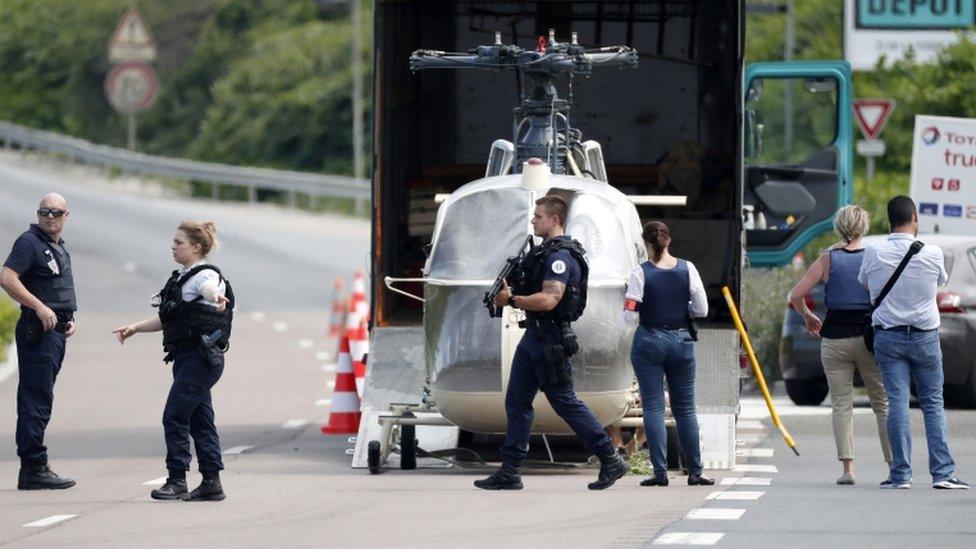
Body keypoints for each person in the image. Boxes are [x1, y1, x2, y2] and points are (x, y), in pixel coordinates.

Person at [475, 195, 628, 490]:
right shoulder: (546, 253)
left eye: (538, 216)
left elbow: (548, 300)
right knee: (517, 402)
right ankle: (509, 470)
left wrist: (513, 300)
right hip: (534, 337)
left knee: (564, 401)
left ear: (555, 219)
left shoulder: (561, 258)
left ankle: (610, 457)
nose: (533, 220)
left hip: (550, 339)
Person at [113, 221, 234, 501]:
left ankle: (177, 479)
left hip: (200, 359)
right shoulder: (183, 277)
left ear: (196, 247)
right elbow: (170, 318)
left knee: (175, 416)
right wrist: (135, 328)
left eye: (179, 243)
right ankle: (211, 482)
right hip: (188, 358)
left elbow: (210, 288)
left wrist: (216, 296)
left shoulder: (204, 276)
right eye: (174, 241)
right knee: (200, 419)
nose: (173, 246)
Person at [858, 196, 968, 490]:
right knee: (933, 403)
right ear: (915, 217)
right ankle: (943, 474)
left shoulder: (874, 251)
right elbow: (941, 281)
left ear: (889, 219)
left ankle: (901, 475)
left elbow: (866, 284)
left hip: (888, 336)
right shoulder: (932, 252)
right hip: (925, 337)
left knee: (897, 403)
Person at [789, 205, 892, 485]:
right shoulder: (876, 256)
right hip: (869, 338)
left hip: (834, 338)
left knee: (841, 405)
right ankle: (895, 466)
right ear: (864, 226)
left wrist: (809, 317)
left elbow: (796, 294)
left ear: (839, 227)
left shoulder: (827, 259)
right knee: (882, 404)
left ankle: (848, 470)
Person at [624, 221, 712, 487]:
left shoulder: (640, 273)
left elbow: (628, 315)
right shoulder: (689, 269)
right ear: (668, 241)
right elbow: (702, 310)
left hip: (649, 340)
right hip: (682, 340)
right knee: (685, 408)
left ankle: (660, 472)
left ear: (645, 245)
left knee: (653, 407)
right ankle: (695, 471)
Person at [0, 193, 78, 490]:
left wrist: (68, 318)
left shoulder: (57, 246)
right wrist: (38, 306)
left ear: (66, 216)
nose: (50, 216)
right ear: (38, 213)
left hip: (55, 333)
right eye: (44, 211)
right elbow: (7, 278)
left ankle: (34, 465)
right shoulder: (29, 243)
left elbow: (58, 289)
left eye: (56, 212)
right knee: (35, 398)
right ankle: (33, 465)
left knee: (42, 397)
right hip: (38, 331)